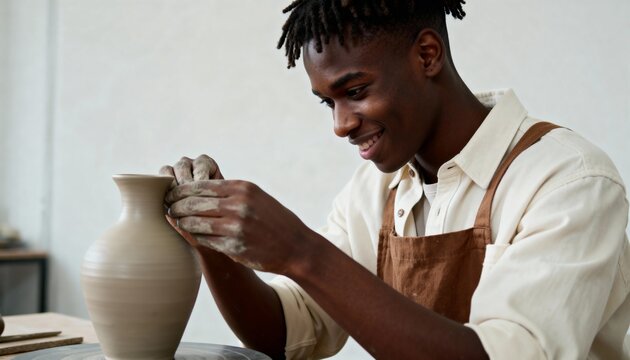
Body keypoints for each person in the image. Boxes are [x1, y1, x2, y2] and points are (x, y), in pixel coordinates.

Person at [160, 1, 630, 359]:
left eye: (356, 92)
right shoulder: (377, 191)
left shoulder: (568, 180)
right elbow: (287, 334)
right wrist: (210, 239)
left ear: (427, 55)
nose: (340, 125)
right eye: (329, 102)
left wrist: (301, 252)